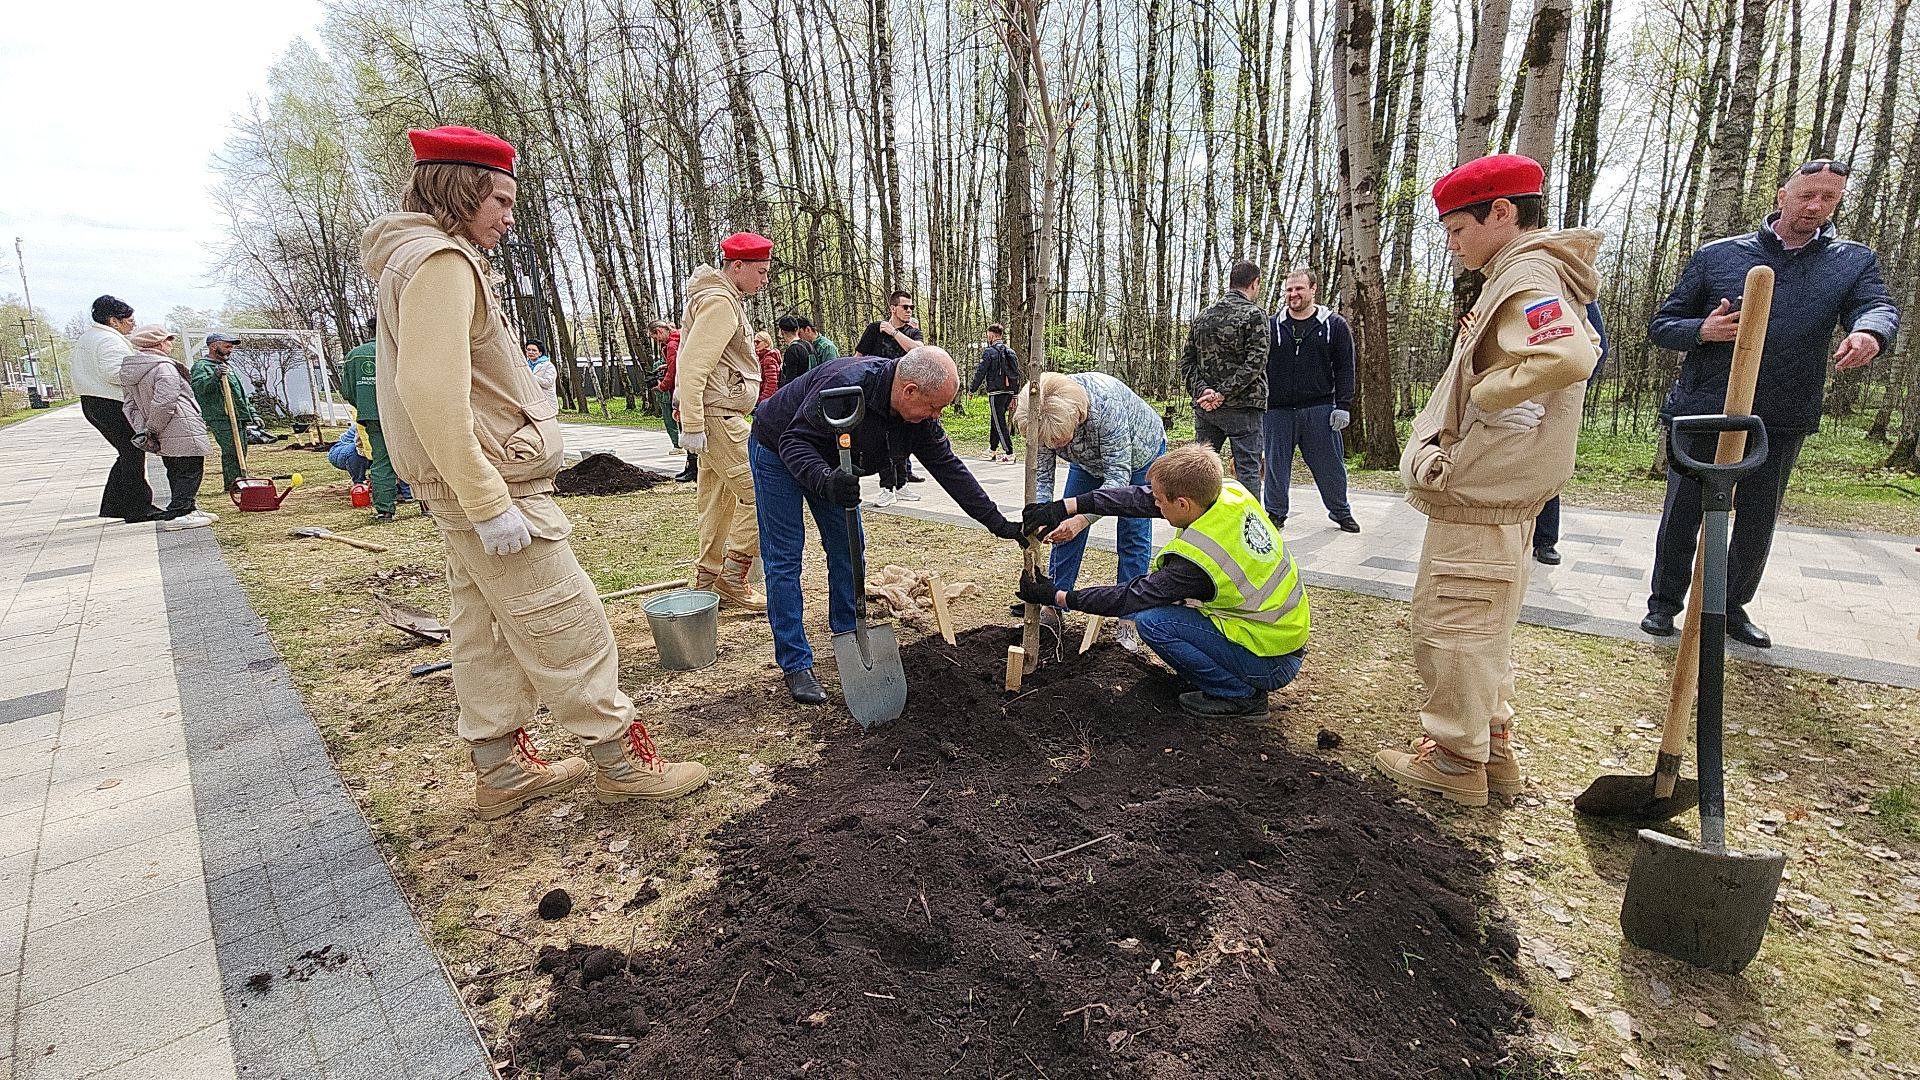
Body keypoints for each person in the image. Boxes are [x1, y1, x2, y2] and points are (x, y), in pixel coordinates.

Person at [359, 123, 706, 818]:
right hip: (495, 487)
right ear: (461, 191)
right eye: (501, 200)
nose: (509, 218)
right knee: (567, 620)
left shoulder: (418, 259)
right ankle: (618, 757)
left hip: (471, 483)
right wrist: (489, 501)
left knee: (484, 629)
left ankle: (501, 769)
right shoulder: (441, 263)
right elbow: (430, 391)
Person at [1372, 154, 1602, 808]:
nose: (1451, 244)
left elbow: (1568, 355)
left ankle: (1453, 760)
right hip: (1500, 497)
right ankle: (1491, 747)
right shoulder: (1536, 272)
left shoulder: (1526, 274)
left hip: (1482, 496)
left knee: (1453, 629)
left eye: (1455, 229)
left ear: (1501, 212)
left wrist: (1487, 393)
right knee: (1484, 626)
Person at [1639, 159, 1899, 648]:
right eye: (1807, 195)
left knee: (1757, 519)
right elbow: (1662, 325)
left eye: (1829, 198)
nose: (1816, 206)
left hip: (1780, 412)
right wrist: (1702, 330)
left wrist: (1870, 332)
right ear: (1782, 195)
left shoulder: (1852, 260)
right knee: (1682, 513)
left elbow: (1877, 304)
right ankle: (1663, 605)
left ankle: (1729, 609)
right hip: (1705, 406)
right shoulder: (1718, 256)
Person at [751, 347, 1028, 704]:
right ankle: (795, 663)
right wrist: (824, 479)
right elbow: (793, 439)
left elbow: (949, 469)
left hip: (835, 465)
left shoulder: (919, 420)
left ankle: (849, 633)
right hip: (778, 447)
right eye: (934, 406)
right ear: (910, 390)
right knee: (785, 559)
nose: (937, 415)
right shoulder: (846, 386)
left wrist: (997, 522)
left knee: (849, 551)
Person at [1018, 441, 1309, 718]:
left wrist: (1057, 596)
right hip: (1277, 636)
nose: (1153, 504)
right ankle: (1230, 676)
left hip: (1271, 659)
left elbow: (1130, 597)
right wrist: (1064, 507)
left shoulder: (1196, 562)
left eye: (1159, 500)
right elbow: (1137, 499)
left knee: (1152, 621)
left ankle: (1239, 696)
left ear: (1182, 504)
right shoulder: (1227, 493)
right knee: (1168, 611)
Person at [1013, 371, 1166, 650]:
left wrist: (1083, 519)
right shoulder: (1044, 413)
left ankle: (1128, 620)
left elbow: (1118, 480)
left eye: (1059, 440)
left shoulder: (1106, 406)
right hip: (1088, 464)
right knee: (1063, 527)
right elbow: (1042, 476)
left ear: (1075, 417)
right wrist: (1042, 515)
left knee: (1132, 535)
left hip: (1139, 459)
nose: (1056, 447)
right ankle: (1054, 605)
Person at [675, 232, 774, 611]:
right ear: (738, 266)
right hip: (719, 416)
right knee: (762, 490)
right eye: (761, 272)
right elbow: (693, 363)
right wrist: (695, 424)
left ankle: (707, 580)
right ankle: (734, 575)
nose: (764, 279)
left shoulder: (721, 298)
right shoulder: (720, 303)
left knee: (718, 500)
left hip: (718, 413)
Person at [1263, 269, 1359, 533]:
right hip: (1278, 410)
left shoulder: (1334, 325)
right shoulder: (1272, 326)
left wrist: (1343, 406)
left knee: (1331, 467)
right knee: (1275, 468)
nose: (1293, 295)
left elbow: (1345, 368)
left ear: (1313, 289)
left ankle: (1341, 512)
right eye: (1289, 290)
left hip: (1319, 408)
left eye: (1299, 289)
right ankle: (1275, 514)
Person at [1529, 300, 1609, 565]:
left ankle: (1545, 539)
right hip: (1513, 386)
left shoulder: (1575, 286)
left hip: (1556, 392)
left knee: (1548, 459)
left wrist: (1571, 392)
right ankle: (1516, 536)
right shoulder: (1515, 274)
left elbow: (1598, 350)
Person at [71, 295, 164, 522]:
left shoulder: (89, 338)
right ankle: (137, 508)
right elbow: (115, 372)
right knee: (133, 451)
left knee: (126, 452)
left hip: (93, 401)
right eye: (129, 319)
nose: (133, 323)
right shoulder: (108, 340)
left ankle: (114, 504)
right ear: (114, 321)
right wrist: (145, 372)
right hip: (110, 402)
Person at [1181, 261, 1268, 489]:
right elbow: (1256, 361)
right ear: (1254, 283)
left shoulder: (1203, 317)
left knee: (1201, 471)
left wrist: (1204, 392)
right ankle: (1246, 524)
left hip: (1206, 409)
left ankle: (1198, 522)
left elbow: (1187, 361)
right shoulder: (1254, 315)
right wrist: (1222, 393)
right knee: (1248, 470)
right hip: (1244, 408)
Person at [120, 325, 214, 530]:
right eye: (168, 339)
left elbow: (130, 405)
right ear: (159, 343)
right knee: (190, 469)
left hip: (160, 429)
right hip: (180, 424)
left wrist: (144, 428)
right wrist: (153, 426)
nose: (171, 343)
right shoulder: (164, 367)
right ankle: (178, 513)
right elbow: (165, 401)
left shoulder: (131, 369)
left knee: (175, 468)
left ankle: (188, 508)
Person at [855, 290, 928, 489]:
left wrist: (895, 333)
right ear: (893, 308)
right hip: (877, 393)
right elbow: (858, 357)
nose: (909, 311)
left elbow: (918, 350)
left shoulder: (912, 332)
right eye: (905, 307)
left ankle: (902, 483)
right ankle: (887, 487)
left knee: (903, 439)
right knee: (880, 439)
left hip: (905, 395)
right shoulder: (875, 329)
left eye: (912, 307)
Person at [343, 319, 401, 522]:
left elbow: (348, 392)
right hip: (404, 414)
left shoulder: (354, 355)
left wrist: (366, 405)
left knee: (381, 460)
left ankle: (385, 510)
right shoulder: (399, 349)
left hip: (372, 416)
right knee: (416, 458)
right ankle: (427, 504)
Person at [189, 332, 257, 492]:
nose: (230, 350)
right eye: (227, 346)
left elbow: (239, 393)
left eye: (231, 347)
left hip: (238, 415)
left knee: (241, 450)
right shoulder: (202, 366)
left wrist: (252, 413)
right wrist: (215, 377)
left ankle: (240, 478)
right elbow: (199, 389)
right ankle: (233, 484)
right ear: (213, 346)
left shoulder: (227, 366)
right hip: (221, 416)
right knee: (232, 450)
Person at [648, 320, 696, 482]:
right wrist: (665, 368)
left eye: (655, 337)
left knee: (686, 428)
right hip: (689, 388)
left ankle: (694, 468)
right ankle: (691, 466)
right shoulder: (682, 338)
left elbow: (675, 369)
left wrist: (662, 386)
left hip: (681, 391)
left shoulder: (672, 345)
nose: (656, 341)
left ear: (660, 331)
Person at [969, 323, 1021, 462]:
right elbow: (1016, 374)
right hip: (1009, 391)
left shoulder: (989, 352)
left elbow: (981, 371)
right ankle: (992, 449)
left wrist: (972, 389)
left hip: (996, 392)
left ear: (991, 335)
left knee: (999, 422)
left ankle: (1009, 453)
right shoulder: (1011, 352)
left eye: (988, 335)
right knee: (996, 419)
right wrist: (1015, 394)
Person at [776, 316, 814, 389]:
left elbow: (790, 380)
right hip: (812, 388)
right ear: (797, 330)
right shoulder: (809, 345)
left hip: (799, 392)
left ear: (782, 332)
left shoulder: (792, 350)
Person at [524, 339, 558, 405]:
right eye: (528, 350)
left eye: (534, 350)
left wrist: (531, 377)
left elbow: (548, 382)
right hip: (530, 401)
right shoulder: (525, 366)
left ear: (540, 353)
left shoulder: (548, 365)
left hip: (546, 400)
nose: (530, 352)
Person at [753, 330, 783, 404]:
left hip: (769, 399)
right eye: (754, 342)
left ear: (766, 343)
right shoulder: (762, 358)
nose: (755, 344)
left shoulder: (768, 359)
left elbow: (771, 382)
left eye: (758, 342)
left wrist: (762, 399)